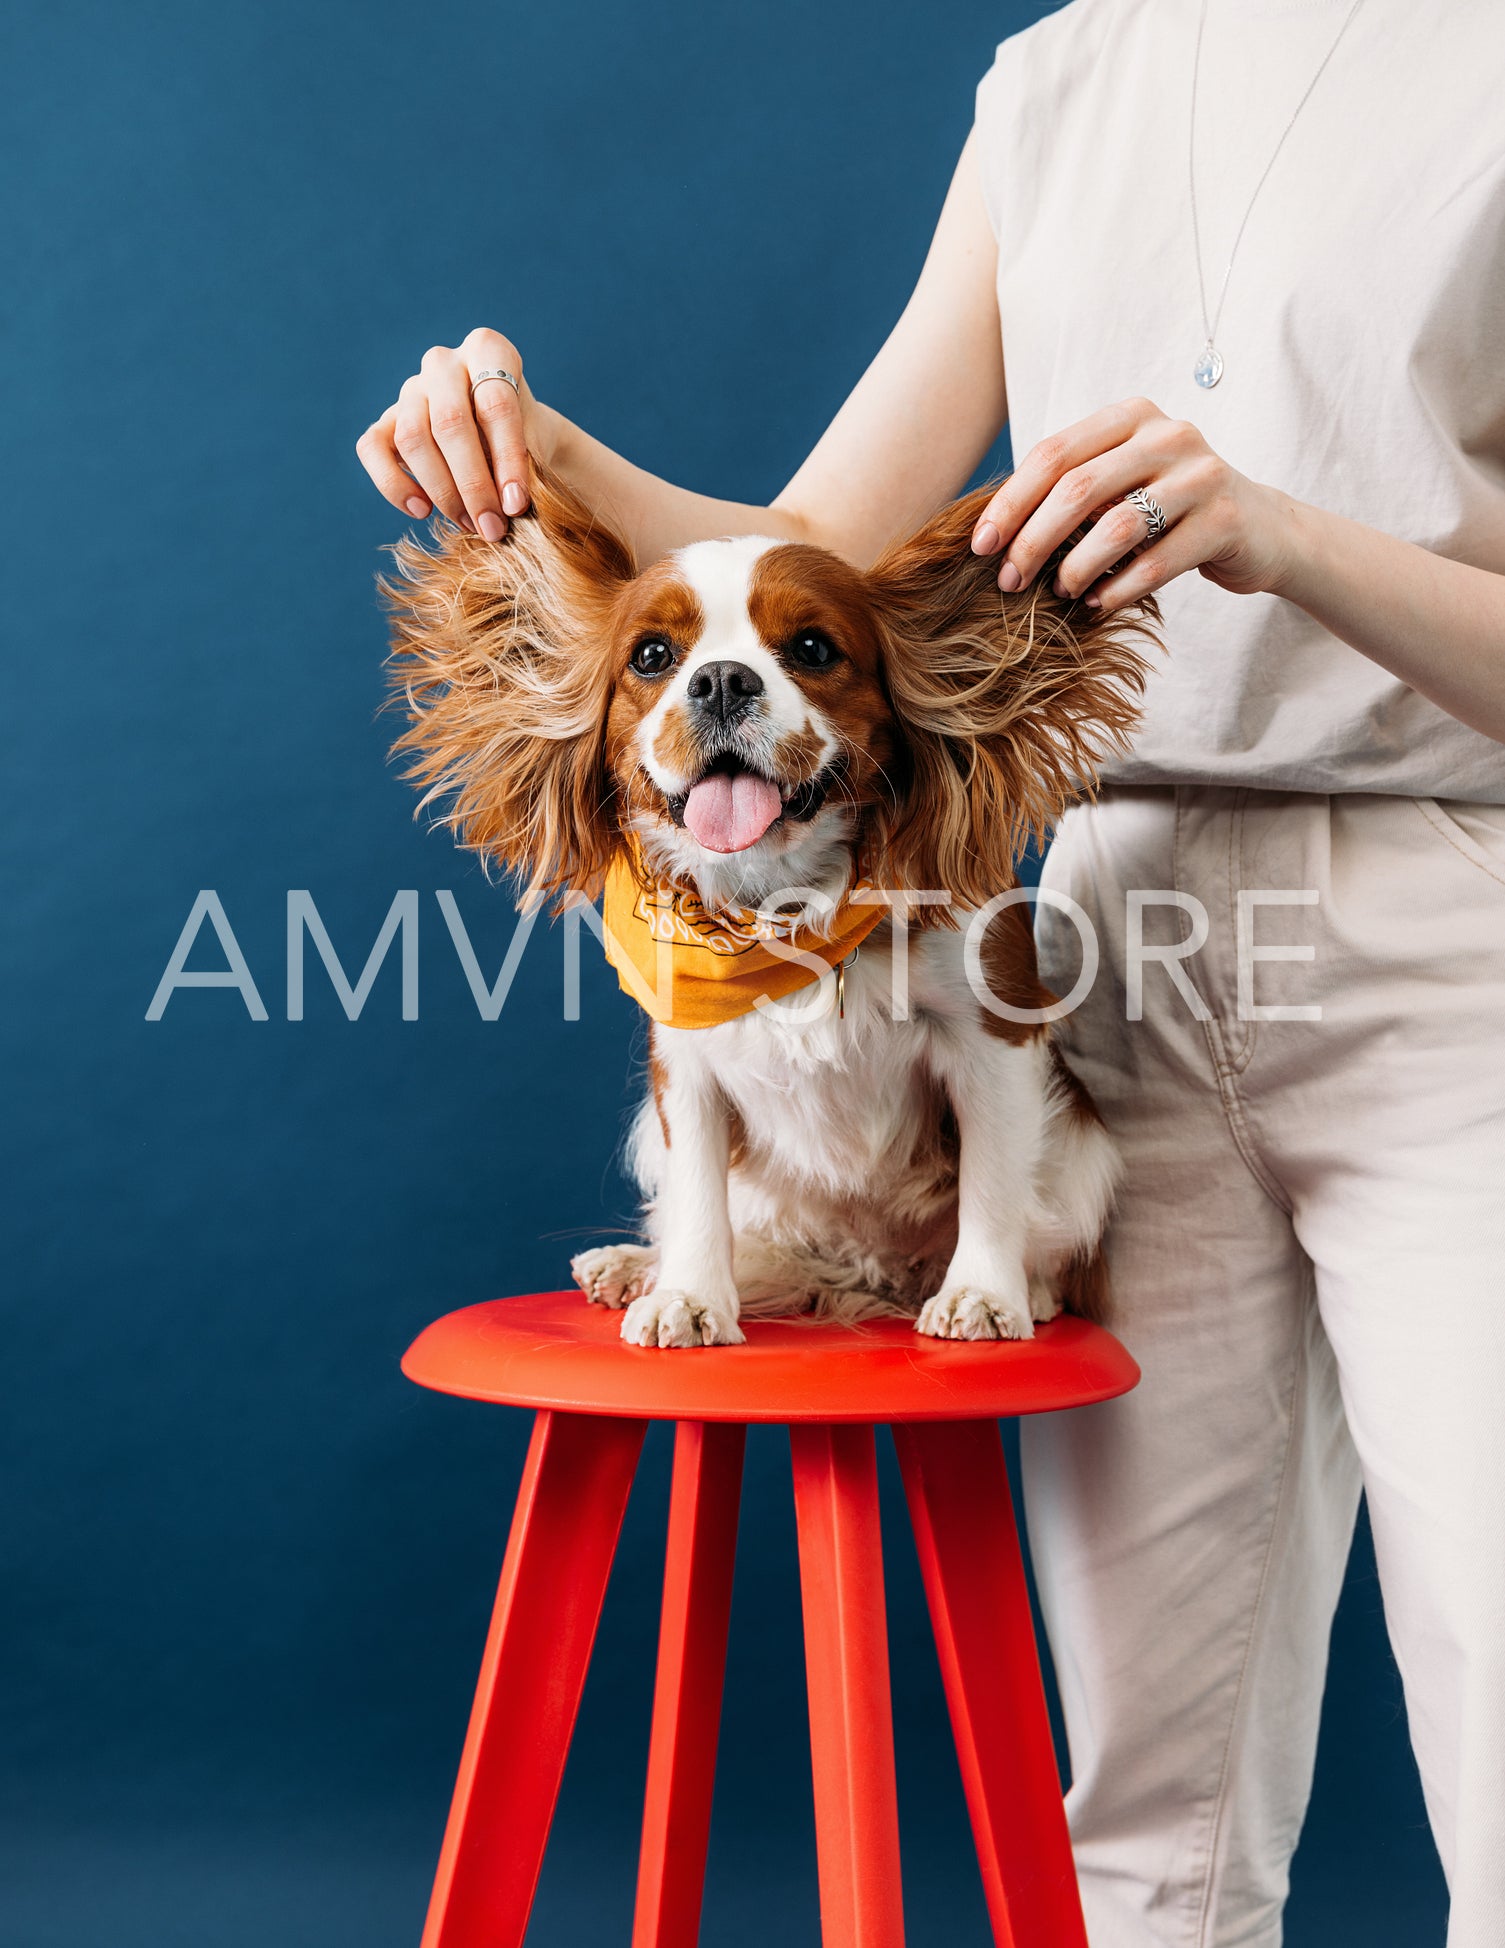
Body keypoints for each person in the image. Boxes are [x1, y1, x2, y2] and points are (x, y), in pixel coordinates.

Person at [357, 2, 1505, 1939]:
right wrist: (543, 460)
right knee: (1151, 1793)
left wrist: (1282, 533)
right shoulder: (1057, 82)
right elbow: (809, 558)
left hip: (1442, 928)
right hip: (1099, 952)